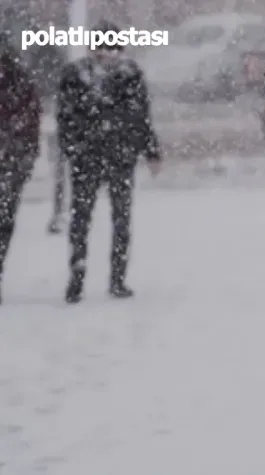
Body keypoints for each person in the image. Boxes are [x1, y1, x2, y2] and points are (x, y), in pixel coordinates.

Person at [56, 21, 161, 304]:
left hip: (117, 157)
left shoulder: (128, 75)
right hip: (91, 157)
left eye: (110, 47)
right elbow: (65, 116)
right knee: (82, 219)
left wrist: (150, 149)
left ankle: (117, 278)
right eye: (100, 47)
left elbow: (141, 116)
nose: (105, 53)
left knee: (119, 219)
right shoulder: (76, 75)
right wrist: (73, 147)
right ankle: (77, 277)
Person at [0, 33, 41, 304]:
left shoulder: (19, 80)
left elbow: (30, 120)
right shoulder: (20, 80)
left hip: (11, 158)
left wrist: (25, 154)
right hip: (13, 157)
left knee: (4, 221)